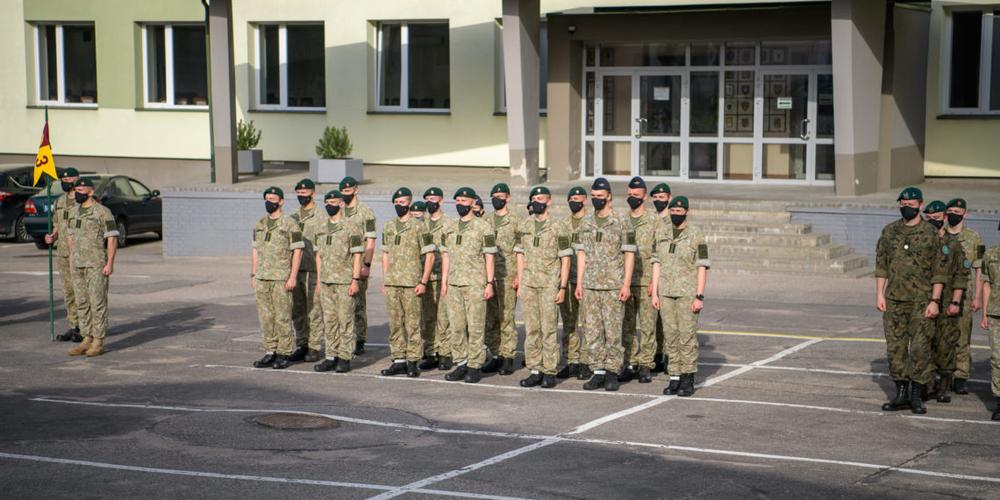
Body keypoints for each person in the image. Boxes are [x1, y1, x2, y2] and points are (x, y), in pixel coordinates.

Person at [875, 187, 953, 415]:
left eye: (911, 204)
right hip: (894, 301)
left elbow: (940, 271)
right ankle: (900, 395)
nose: (906, 207)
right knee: (896, 349)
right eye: (903, 204)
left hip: (921, 302)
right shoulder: (889, 232)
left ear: (920, 205)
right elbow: (881, 265)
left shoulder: (931, 233)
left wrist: (935, 300)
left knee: (920, 350)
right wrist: (879, 293)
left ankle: (917, 397)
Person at [574, 177, 636, 392]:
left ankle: (612, 371)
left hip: (612, 284)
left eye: (600, 196)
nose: (596, 200)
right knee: (591, 331)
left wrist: (626, 284)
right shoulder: (587, 222)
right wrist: (580, 282)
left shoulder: (621, 220)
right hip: (590, 284)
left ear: (609, 196)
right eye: (593, 197)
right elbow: (581, 253)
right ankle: (597, 371)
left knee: (613, 331)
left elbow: (629, 254)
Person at [514, 186, 573, 389]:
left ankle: (549, 371)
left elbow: (565, 259)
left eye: (541, 198)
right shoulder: (524, 225)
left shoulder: (559, 226)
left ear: (549, 201)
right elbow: (520, 255)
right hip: (529, 284)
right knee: (532, 330)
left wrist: (562, 287)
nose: (537, 201)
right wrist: (521, 282)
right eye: (534, 198)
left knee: (548, 330)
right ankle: (535, 369)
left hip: (549, 285)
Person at [651, 196, 710, 397]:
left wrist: (699, 295)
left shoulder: (696, 235)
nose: (676, 214)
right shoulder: (662, 233)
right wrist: (655, 292)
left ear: (687, 211)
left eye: (680, 211)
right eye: (673, 211)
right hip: (666, 293)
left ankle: (687, 378)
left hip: (687, 294)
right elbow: (656, 263)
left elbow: (702, 266)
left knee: (687, 337)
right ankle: (674, 376)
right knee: (671, 336)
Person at [441, 187, 497, 384]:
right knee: (456, 327)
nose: (461, 205)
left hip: (475, 283)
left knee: (475, 327)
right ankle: (461, 362)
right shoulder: (449, 227)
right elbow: (445, 256)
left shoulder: (484, 227)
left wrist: (489, 283)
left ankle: (474, 365)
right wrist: (444, 282)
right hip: (454, 283)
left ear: (473, 203)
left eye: (465, 201)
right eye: (458, 201)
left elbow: (489, 257)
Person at [380, 188, 436, 378]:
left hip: (412, 282)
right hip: (393, 282)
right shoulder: (388, 226)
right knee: (395, 324)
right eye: (396, 202)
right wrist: (386, 278)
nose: (399, 206)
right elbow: (385, 253)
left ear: (409, 203)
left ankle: (413, 361)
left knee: (413, 324)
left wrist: (423, 281)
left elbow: (429, 255)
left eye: (403, 202)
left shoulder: (420, 226)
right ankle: (398, 360)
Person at [250, 187, 304, 370]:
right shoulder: (260, 224)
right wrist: (254, 273)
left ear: (281, 201)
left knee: (282, 316)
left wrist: (293, 276)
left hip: (281, 277)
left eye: (273, 198)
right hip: (262, 277)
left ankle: (284, 352)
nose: (269, 202)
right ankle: (270, 351)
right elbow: (256, 250)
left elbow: (298, 250)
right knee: (266, 317)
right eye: (266, 198)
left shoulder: (290, 223)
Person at [312, 190, 364, 373]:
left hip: (344, 281)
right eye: (327, 202)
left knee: (345, 319)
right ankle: (330, 356)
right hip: (326, 281)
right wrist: (318, 280)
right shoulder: (321, 227)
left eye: (333, 202)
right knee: (330, 320)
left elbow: (358, 255)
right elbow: (318, 255)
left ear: (341, 204)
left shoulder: (352, 227)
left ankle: (344, 357)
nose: (329, 205)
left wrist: (355, 280)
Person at [66, 177, 119, 357]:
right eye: (76, 190)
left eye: (81, 191)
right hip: (77, 264)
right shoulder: (73, 212)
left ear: (90, 192)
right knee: (82, 303)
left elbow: (111, 238)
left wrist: (109, 263)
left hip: (96, 264)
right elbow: (70, 237)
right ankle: (86, 338)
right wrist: (72, 259)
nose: (77, 194)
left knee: (97, 303)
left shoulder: (102, 212)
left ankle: (98, 340)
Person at [922, 201, 968, 404]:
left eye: (937, 217)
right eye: (929, 217)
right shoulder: (922, 241)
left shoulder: (953, 244)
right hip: (925, 301)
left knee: (946, 343)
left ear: (945, 218)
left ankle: (944, 386)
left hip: (948, 301)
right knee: (926, 343)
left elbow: (960, 275)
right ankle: (929, 384)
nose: (933, 221)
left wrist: (956, 302)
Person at [945, 198, 984, 395]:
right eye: (950, 210)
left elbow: (979, 270)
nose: (953, 214)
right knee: (942, 335)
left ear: (964, 214)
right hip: (943, 294)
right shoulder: (940, 235)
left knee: (962, 335)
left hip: (966, 295)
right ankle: (943, 373)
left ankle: (961, 375)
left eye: (957, 211)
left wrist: (978, 296)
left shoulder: (975, 237)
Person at [622, 176, 658, 384]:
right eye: (629, 195)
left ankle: (646, 364)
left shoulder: (654, 221)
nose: (632, 198)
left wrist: (655, 280)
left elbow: (657, 254)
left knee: (647, 325)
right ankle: (630, 362)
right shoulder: (622, 220)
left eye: (636, 195)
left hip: (645, 281)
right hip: (626, 282)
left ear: (644, 196)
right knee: (627, 326)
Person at [484, 183, 520, 375]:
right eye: (494, 195)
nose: (497, 199)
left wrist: (519, 276)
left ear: (508, 198)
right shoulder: (486, 220)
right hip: (489, 276)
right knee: (491, 318)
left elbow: (522, 251)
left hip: (508, 275)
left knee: (506, 317)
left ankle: (508, 356)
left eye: (500, 196)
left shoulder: (515, 220)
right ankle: (496, 354)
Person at [340, 176, 377, 355]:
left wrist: (367, 264)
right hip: (339, 267)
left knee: (358, 304)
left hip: (358, 263)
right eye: (343, 192)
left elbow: (370, 240)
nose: (345, 194)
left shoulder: (365, 212)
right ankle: (344, 338)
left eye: (348, 191)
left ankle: (360, 338)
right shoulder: (338, 211)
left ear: (356, 190)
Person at [557, 186, 590, 380]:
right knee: (569, 322)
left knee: (587, 323)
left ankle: (586, 361)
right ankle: (571, 360)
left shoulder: (591, 223)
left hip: (586, 280)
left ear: (585, 200)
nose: (574, 201)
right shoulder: (562, 225)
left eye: (578, 198)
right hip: (567, 280)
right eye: (571, 198)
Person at [45, 167, 82, 342]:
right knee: (68, 291)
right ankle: (73, 326)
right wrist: (52, 236)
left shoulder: (85, 201)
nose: (65, 183)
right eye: (63, 181)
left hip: (81, 253)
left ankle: (85, 327)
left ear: (76, 180)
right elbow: (58, 224)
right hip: (63, 253)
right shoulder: (59, 202)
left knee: (81, 291)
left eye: (69, 180)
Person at [289, 178, 323, 362]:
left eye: (305, 193)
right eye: (299, 193)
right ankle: (302, 343)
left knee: (314, 309)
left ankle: (314, 346)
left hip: (313, 269)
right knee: (298, 309)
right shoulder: (292, 216)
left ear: (313, 194)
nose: (302, 196)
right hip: (297, 270)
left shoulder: (321, 217)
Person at [419, 187, 452, 370]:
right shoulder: (421, 224)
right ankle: (430, 351)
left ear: (441, 201)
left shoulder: (449, 223)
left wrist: (447, 279)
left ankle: (445, 353)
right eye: (428, 198)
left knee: (443, 317)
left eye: (434, 198)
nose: (431, 202)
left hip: (442, 275)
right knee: (428, 317)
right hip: (425, 276)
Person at [649, 182, 672, 373]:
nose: (658, 201)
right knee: (653, 320)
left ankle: (670, 355)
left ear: (669, 198)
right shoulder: (651, 220)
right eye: (655, 198)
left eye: (661, 198)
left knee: (669, 320)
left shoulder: (673, 221)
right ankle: (656, 354)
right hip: (653, 275)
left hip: (670, 277)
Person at [979, 227, 1000, 420]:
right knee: (997, 359)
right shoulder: (992, 254)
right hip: (996, 314)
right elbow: (986, 284)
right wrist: (985, 313)